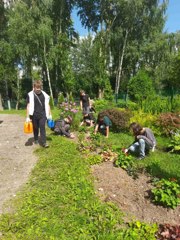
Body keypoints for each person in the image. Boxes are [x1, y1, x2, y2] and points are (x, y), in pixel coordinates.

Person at [26, 80, 52, 148]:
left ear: (41, 87)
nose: (38, 89)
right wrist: (27, 117)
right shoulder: (30, 94)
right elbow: (28, 105)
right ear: (34, 87)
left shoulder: (45, 95)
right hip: (34, 114)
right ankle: (36, 138)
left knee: (42, 127)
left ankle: (44, 142)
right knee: (35, 127)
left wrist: (50, 115)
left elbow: (48, 105)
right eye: (36, 87)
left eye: (39, 87)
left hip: (43, 114)